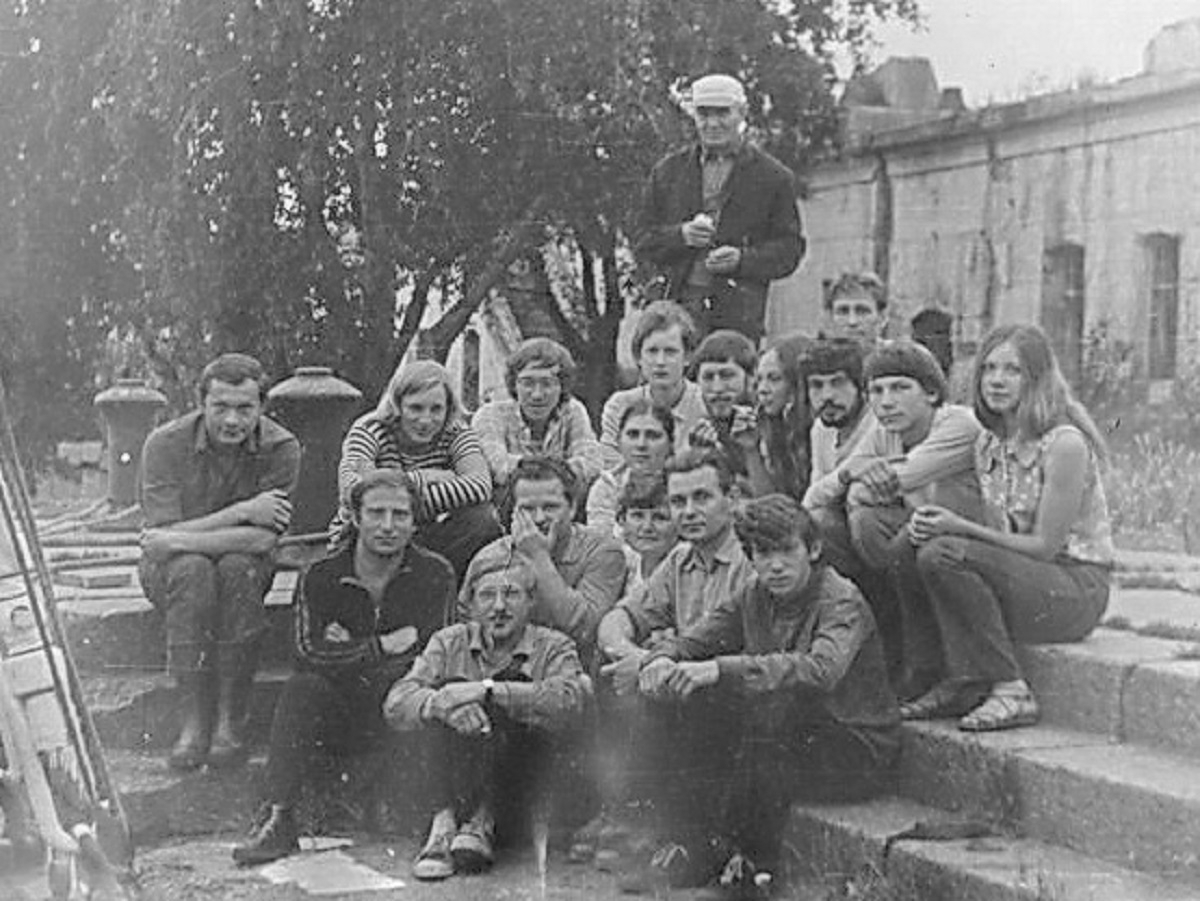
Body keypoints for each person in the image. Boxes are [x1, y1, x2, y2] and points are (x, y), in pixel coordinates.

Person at [633, 495, 899, 895]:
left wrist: (721, 669)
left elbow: (820, 671)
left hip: (856, 745)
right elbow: (699, 638)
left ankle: (751, 868)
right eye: (763, 553)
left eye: (787, 551)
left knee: (761, 735)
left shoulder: (840, 599)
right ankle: (692, 845)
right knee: (690, 703)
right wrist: (661, 660)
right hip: (793, 731)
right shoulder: (755, 594)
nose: (775, 565)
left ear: (812, 549)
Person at [232, 470, 457, 866]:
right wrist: (379, 645)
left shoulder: (434, 572)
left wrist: (348, 648)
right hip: (340, 713)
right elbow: (306, 653)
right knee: (303, 688)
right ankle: (279, 817)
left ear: (414, 520)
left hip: (401, 709)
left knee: (437, 688)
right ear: (356, 517)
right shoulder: (322, 574)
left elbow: (435, 654)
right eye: (376, 513)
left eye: (400, 515)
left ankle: (437, 817)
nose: (388, 526)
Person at [894, 324, 1112, 731]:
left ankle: (1012, 689)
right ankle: (948, 677)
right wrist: (934, 520)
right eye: (989, 368)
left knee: (945, 552)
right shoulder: (990, 443)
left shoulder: (1063, 443)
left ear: (1037, 378)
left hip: (1074, 590)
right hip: (1025, 580)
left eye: (1012, 370)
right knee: (913, 543)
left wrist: (960, 528)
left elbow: (1045, 547)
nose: (996, 380)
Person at [139, 353, 301, 771]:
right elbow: (162, 548)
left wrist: (181, 537)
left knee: (235, 567)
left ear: (262, 407)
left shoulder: (280, 447)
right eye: (221, 407)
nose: (232, 420)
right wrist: (244, 512)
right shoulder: (164, 444)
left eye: (245, 408)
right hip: (172, 575)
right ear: (201, 403)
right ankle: (193, 721)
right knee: (192, 569)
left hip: (243, 571)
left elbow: (264, 540)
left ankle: (230, 719)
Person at [384, 555, 589, 881]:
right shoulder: (450, 640)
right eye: (486, 595)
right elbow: (396, 701)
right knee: (447, 692)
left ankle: (483, 820)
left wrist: (489, 690)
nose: (498, 606)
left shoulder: (554, 645)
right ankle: (444, 824)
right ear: (470, 604)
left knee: (508, 690)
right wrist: (441, 703)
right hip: (454, 776)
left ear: (531, 601)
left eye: (511, 594)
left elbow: (571, 698)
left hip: (520, 783)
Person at [808, 341, 982, 682]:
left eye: (901, 388)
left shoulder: (959, 424)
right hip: (920, 537)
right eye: (877, 391)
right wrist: (848, 474)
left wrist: (862, 480)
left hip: (974, 542)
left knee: (869, 509)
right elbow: (814, 498)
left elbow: (902, 476)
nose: (886, 401)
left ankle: (928, 668)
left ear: (931, 393)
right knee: (843, 520)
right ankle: (890, 652)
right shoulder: (885, 432)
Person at [636, 73, 804, 342]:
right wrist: (681, 236)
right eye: (704, 114)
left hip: (737, 317)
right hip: (673, 311)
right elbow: (642, 239)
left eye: (722, 113)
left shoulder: (773, 177)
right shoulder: (667, 172)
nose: (712, 123)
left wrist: (743, 259)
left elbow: (790, 249)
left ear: (742, 113)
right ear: (693, 116)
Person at [596, 449, 753, 699]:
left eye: (701, 498)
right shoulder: (681, 558)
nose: (689, 511)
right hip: (686, 689)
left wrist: (649, 664)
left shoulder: (752, 559)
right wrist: (638, 658)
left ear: (731, 499)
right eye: (678, 502)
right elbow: (619, 618)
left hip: (737, 694)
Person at [333, 359, 502, 581]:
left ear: (448, 408)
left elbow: (479, 486)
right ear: (398, 405)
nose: (426, 420)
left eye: (436, 409)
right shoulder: (370, 429)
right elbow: (351, 491)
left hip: (422, 534)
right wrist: (425, 477)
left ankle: (443, 592)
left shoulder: (456, 433)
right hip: (369, 534)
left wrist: (387, 488)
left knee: (482, 519)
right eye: (415, 408)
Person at [459, 456, 626, 665]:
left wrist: (538, 557)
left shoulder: (603, 551)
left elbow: (585, 628)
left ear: (572, 507)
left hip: (573, 669)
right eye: (528, 509)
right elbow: (469, 632)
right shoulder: (489, 558)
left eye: (550, 507)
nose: (539, 518)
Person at [471, 337, 606, 492]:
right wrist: (561, 468)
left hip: (560, 499)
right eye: (527, 383)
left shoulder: (572, 410)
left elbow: (592, 463)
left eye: (547, 383)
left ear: (562, 386)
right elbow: (497, 468)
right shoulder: (490, 414)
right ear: (514, 384)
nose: (537, 394)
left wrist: (527, 466)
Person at [600, 301, 707, 466]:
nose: (660, 362)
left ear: (687, 357)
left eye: (670, 352)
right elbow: (611, 469)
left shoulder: (705, 405)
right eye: (652, 351)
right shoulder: (620, 406)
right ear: (638, 357)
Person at [802, 338, 874, 505]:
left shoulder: (877, 422)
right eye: (817, 385)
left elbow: (819, 494)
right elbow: (818, 486)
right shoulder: (821, 429)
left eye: (838, 383)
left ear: (860, 386)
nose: (827, 395)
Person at [684, 329, 762, 482]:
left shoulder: (771, 424)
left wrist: (751, 451)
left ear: (751, 377)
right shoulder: (695, 429)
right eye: (708, 377)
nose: (717, 388)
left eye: (727, 376)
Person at [587, 400, 674, 534]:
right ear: (618, 441)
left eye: (652, 436)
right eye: (633, 434)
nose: (641, 444)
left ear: (671, 443)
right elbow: (601, 543)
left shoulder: (685, 484)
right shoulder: (606, 487)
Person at [752, 331, 815, 501]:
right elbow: (768, 501)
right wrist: (750, 449)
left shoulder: (822, 426)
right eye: (759, 380)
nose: (762, 390)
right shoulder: (766, 425)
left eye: (774, 379)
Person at [823, 271, 887, 345]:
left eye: (862, 311)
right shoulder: (815, 355)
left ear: (882, 318)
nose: (852, 322)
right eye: (843, 312)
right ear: (830, 318)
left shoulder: (896, 354)